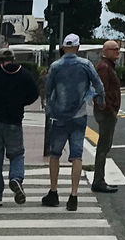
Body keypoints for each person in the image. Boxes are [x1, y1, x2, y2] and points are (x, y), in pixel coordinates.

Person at [43, 33, 104, 212]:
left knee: (55, 155)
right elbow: (98, 84)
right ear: (78, 47)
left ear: (63, 47)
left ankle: (53, 192)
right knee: (76, 156)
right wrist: (99, 99)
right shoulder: (85, 65)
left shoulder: (55, 66)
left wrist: (50, 107)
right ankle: (73, 195)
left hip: (60, 116)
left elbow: (48, 89)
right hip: (79, 115)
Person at [0, 48, 39, 206]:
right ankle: (16, 178)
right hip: (14, 121)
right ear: (13, 59)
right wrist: (21, 102)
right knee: (17, 154)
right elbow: (34, 94)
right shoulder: (24, 74)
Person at [91, 39, 122, 193]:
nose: (117, 52)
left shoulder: (107, 66)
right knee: (103, 147)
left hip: (106, 111)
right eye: (115, 49)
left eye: (117, 49)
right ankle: (98, 180)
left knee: (104, 146)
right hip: (106, 113)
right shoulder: (104, 68)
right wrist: (110, 110)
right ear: (106, 51)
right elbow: (101, 91)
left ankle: (99, 179)